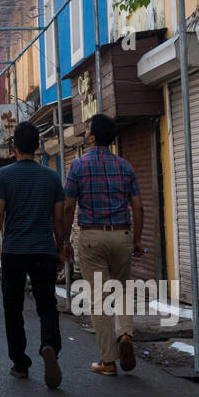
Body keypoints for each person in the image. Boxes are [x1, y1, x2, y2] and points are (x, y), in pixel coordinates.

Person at [0, 121, 66, 388]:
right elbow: (59, 218)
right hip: (43, 249)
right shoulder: (51, 177)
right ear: (37, 147)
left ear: (14, 146)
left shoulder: (5, 176)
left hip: (14, 251)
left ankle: (20, 363)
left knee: (13, 307)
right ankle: (49, 345)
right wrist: (61, 247)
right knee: (46, 304)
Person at [62, 113, 145, 377]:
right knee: (121, 291)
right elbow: (139, 206)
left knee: (99, 299)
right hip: (121, 235)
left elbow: (68, 205)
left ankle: (108, 361)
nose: (85, 134)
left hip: (92, 237)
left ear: (94, 136)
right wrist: (137, 239)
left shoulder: (77, 167)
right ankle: (126, 336)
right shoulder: (125, 166)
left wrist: (64, 240)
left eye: (87, 130)